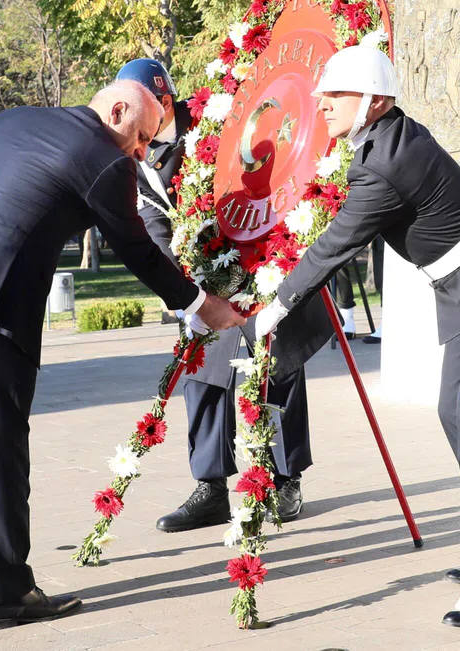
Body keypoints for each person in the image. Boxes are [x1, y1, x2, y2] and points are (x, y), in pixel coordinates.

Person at [0, 81, 246, 630]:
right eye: (142, 136)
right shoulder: (104, 159)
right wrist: (200, 304)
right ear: (117, 110)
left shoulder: (9, 121)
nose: (143, 152)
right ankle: (6, 592)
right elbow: (138, 249)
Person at [253, 46, 460, 632]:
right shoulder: (384, 141)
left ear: (374, 102)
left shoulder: (383, 163)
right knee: (454, 412)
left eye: (337, 95)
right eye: (325, 93)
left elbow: (334, 246)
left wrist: (272, 308)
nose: (322, 104)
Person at [115, 58, 332, 533]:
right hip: (207, 277)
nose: (131, 128)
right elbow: (154, 224)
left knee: (277, 367)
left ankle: (284, 479)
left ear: (164, 103)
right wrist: (186, 296)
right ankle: (211, 487)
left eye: (138, 113)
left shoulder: (220, 118)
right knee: (203, 375)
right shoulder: (135, 151)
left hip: (264, 255)